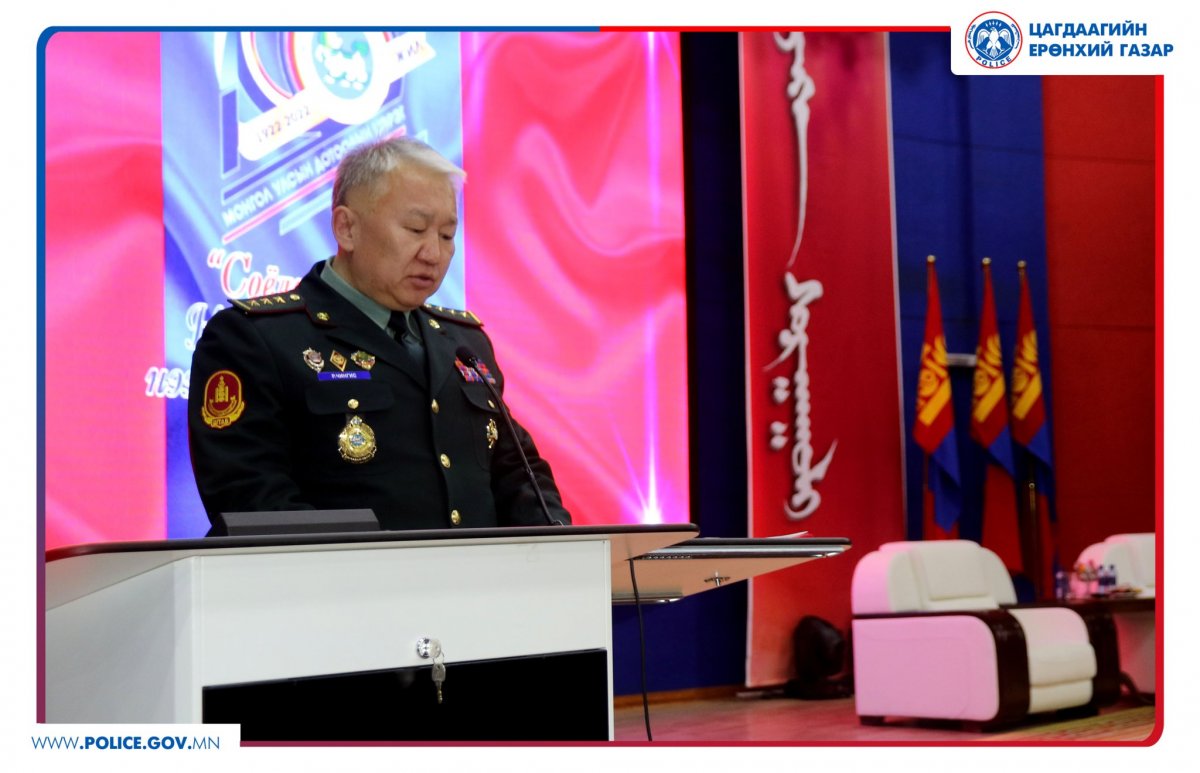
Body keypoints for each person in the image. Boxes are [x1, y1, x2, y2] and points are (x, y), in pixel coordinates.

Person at [188, 137, 572, 532]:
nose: (433, 254)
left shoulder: (463, 343)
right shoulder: (254, 339)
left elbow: (517, 471)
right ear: (347, 228)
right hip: (336, 573)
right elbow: (250, 498)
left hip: (477, 573)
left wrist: (556, 540)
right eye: (415, 229)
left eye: (446, 235)